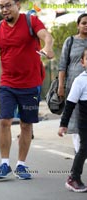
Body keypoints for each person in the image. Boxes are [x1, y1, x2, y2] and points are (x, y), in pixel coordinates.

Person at [0, 0, 54, 180]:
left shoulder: (31, 21)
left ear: (18, 5)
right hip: (8, 85)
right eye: (1, 6)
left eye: (8, 5)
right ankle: (4, 163)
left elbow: (47, 36)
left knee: (26, 124)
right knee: (4, 120)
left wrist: (48, 47)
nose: (4, 9)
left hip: (30, 85)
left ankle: (21, 165)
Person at [58, 47, 87, 193]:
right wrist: (63, 124)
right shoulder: (80, 81)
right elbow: (69, 105)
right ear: (83, 62)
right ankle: (73, 178)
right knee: (84, 149)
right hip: (85, 123)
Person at [58, 13, 87, 155]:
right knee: (75, 120)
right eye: (84, 23)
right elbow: (62, 65)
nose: (86, 25)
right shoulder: (70, 41)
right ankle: (78, 151)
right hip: (73, 87)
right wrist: (61, 86)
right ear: (78, 25)